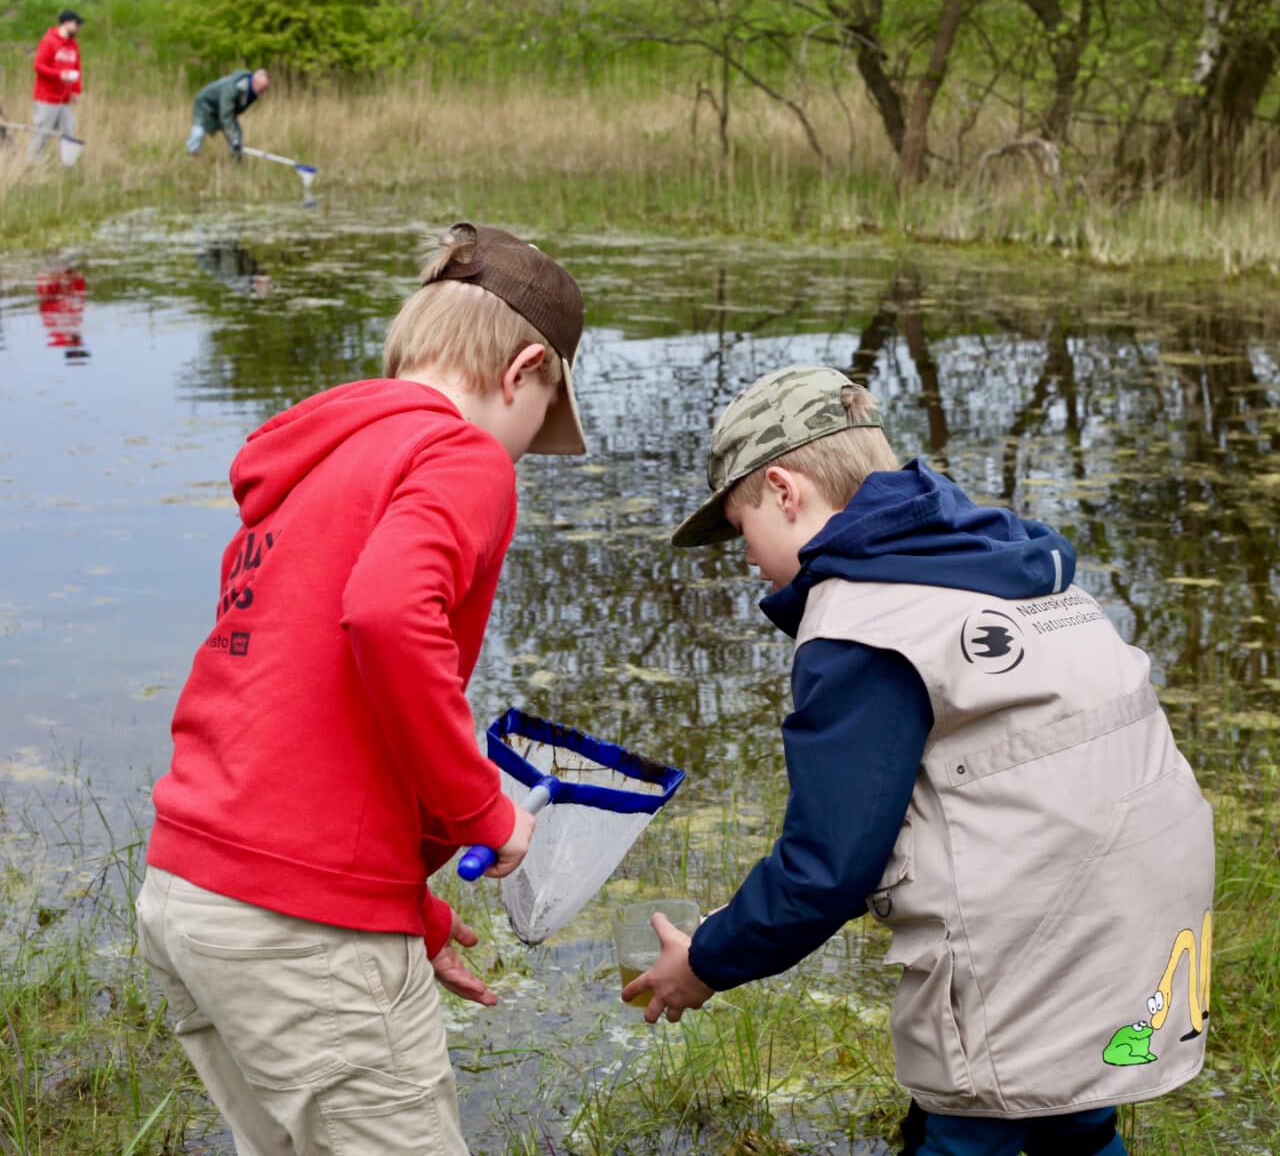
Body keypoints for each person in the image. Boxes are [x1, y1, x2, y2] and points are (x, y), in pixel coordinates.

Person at [634, 364, 1214, 1156]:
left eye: (742, 530)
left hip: (1038, 922)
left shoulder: (860, 622)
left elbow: (828, 865)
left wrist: (704, 962)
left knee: (973, 1120)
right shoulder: (998, 558)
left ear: (783, 490)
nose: (748, 560)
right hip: (1149, 891)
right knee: (1070, 1108)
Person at [135, 221, 587, 1155]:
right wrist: (481, 811)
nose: (519, 454)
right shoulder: (460, 454)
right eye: (539, 423)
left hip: (188, 892)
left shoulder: (314, 467)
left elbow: (292, 707)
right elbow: (386, 615)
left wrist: (402, 903)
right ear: (524, 370)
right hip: (297, 928)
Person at [30, 9, 84, 162]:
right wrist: (59, 74)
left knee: (69, 133)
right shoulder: (49, 41)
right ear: (66, 23)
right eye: (76, 24)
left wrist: (76, 90)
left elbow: (77, 68)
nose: (78, 27)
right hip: (47, 99)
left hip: (64, 100)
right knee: (42, 134)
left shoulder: (73, 45)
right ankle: (33, 164)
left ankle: (67, 164)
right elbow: (38, 66)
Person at [187, 68, 270, 159]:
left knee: (237, 138)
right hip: (204, 106)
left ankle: (236, 161)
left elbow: (230, 113)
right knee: (198, 133)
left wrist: (235, 138)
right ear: (254, 82)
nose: (263, 92)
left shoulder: (253, 92)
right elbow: (226, 115)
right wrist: (234, 137)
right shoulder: (233, 88)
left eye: (265, 89)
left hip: (222, 109)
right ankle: (191, 157)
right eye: (262, 88)